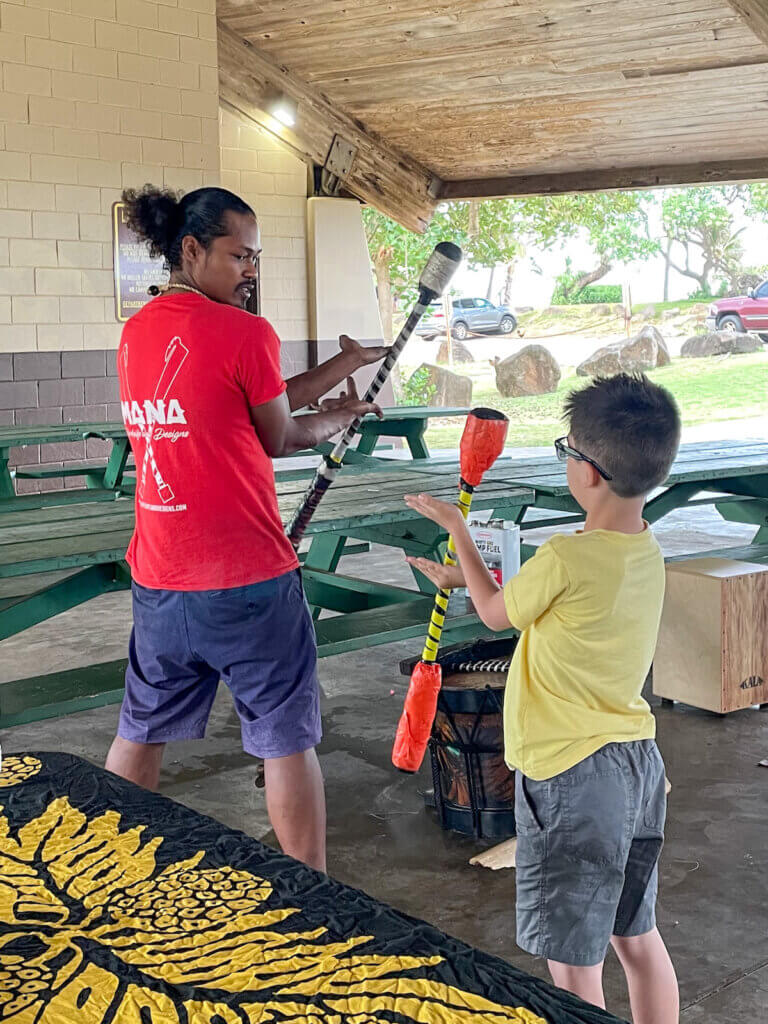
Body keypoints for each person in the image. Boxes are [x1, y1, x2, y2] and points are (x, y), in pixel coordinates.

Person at [105, 184, 389, 873]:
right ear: (193, 249)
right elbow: (280, 434)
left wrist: (341, 370)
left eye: (256, 258)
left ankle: (106, 866)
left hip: (161, 574)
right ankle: (313, 891)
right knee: (284, 740)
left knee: (139, 731)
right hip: (248, 578)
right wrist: (341, 419)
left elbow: (245, 399)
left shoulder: (137, 331)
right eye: (239, 256)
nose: (250, 271)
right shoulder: (245, 331)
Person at [404, 373, 681, 1024]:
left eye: (568, 450)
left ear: (587, 472)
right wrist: (462, 575)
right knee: (636, 940)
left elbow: (498, 615)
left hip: (571, 779)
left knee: (573, 963)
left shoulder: (563, 557)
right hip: (636, 771)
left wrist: (458, 530)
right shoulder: (646, 552)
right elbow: (537, 606)